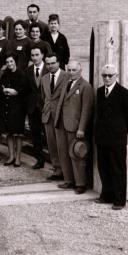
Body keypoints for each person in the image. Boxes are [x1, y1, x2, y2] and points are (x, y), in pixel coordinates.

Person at [95, 64, 128, 210]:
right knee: (104, 167)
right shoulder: (100, 92)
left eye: (110, 75)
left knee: (118, 169)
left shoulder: (124, 93)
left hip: (117, 139)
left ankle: (119, 200)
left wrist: (122, 131)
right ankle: (106, 195)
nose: (107, 78)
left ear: (116, 76)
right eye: (104, 75)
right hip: (102, 138)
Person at [54, 60, 94, 195]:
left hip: (75, 127)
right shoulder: (66, 83)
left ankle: (80, 183)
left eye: (74, 70)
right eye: (69, 70)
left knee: (76, 155)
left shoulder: (85, 87)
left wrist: (81, 128)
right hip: (61, 124)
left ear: (80, 70)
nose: (71, 73)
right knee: (63, 153)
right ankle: (68, 180)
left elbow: (86, 110)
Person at [40, 53, 69, 180]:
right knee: (51, 144)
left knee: (62, 144)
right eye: (48, 63)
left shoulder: (67, 76)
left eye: (53, 63)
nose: (50, 66)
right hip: (48, 115)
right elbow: (44, 97)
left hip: (61, 115)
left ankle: (66, 171)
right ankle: (57, 169)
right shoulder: (44, 78)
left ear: (58, 63)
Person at [0, 54, 29, 167]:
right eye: (7, 62)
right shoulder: (5, 74)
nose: (9, 64)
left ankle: (18, 158)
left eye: (11, 61)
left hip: (18, 107)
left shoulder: (22, 74)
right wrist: (4, 90)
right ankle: (11, 156)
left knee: (18, 134)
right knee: (9, 133)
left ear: (15, 62)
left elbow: (25, 90)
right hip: (7, 106)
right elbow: (1, 86)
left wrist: (15, 91)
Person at [25, 46, 47, 169]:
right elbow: (27, 90)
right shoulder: (28, 70)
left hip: (46, 107)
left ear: (42, 55)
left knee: (48, 135)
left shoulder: (49, 69)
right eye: (32, 55)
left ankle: (56, 163)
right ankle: (40, 160)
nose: (34, 58)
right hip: (33, 107)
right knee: (36, 135)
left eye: (37, 55)